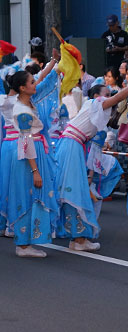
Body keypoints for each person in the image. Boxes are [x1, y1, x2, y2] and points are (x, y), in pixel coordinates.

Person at [55, 84, 128, 251]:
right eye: (106, 94)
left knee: (71, 192)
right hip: (72, 147)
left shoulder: (93, 111)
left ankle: (77, 237)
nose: (109, 96)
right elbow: (117, 98)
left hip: (71, 145)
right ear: (97, 96)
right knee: (76, 193)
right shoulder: (95, 104)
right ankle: (79, 240)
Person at [6, 69, 60, 258]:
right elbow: (26, 140)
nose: (35, 84)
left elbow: (45, 84)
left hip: (35, 153)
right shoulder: (22, 111)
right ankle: (23, 244)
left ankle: (27, 241)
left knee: (32, 195)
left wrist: (56, 65)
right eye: (31, 82)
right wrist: (35, 170)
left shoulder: (29, 103)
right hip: (29, 158)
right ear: (22, 88)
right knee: (27, 197)